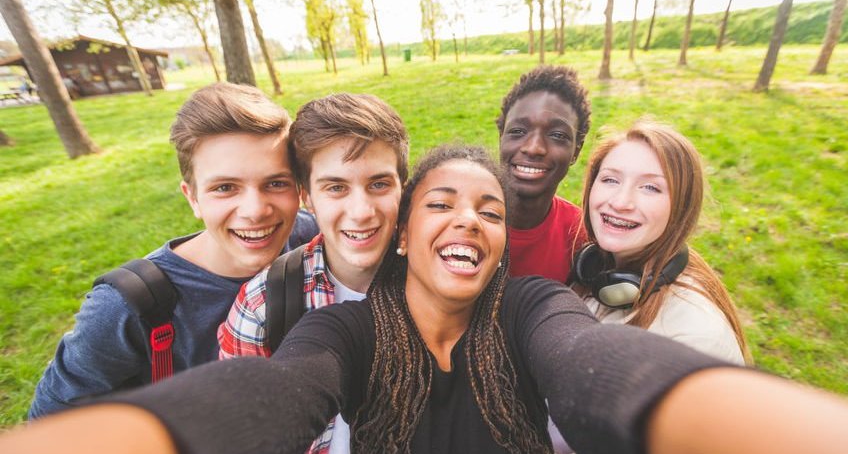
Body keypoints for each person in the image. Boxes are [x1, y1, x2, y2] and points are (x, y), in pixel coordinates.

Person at [3, 145, 848, 454]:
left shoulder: (531, 308)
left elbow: (604, 367)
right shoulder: (340, 327)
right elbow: (273, 393)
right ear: (405, 233)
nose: (468, 220)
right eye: (441, 202)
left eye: (487, 209)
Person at [28, 82, 318, 419]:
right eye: (225, 188)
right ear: (192, 197)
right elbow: (50, 425)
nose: (255, 210)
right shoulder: (127, 307)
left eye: (275, 183)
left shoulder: (309, 237)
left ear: (299, 189)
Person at [216, 93, 409, 453]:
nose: (361, 211)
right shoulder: (263, 306)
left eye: (379, 184)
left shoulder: (439, 283)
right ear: (306, 196)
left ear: (403, 186)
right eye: (336, 187)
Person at [573, 119, 749, 365]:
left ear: (681, 208)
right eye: (611, 180)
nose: (621, 201)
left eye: (650, 188)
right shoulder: (595, 273)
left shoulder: (696, 339)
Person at [497, 65, 591, 283]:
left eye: (557, 135)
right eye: (518, 131)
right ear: (501, 137)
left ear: (576, 151)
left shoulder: (580, 236)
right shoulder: (462, 219)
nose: (534, 148)